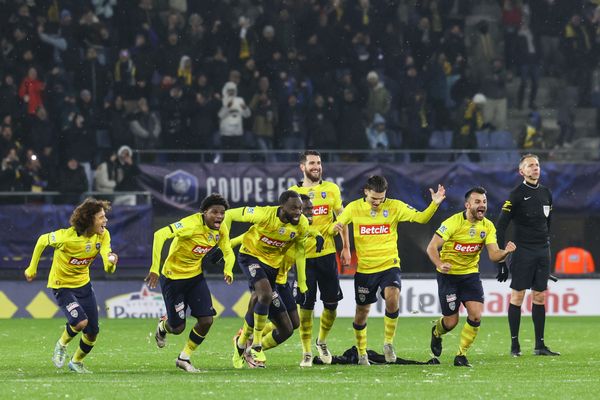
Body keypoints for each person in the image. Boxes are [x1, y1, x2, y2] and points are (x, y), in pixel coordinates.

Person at [332, 175, 446, 365]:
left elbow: (421, 218)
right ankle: (361, 353)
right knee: (362, 313)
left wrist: (433, 204)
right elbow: (336, 226)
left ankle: (388, 343)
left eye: (381, 198)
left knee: (393, 296)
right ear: (366, 192)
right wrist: (334, 228)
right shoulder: (353, 208)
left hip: (389, 264)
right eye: (374, 198)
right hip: (366, 269)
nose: (377, 202)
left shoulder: (394, 206)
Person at [24, 198, 118, 373]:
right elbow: (42, 241)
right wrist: (32, 268)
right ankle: (61, 344)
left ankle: (76, 362)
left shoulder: (103, 235)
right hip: (62, 285)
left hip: (83, 285)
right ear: (89, 220)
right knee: (80, 322)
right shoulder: (66, 237)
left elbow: (108, 266)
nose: (105, 220)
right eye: (101, 217)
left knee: (92, 332)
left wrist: (111, 262)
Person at [227, 194, 323, 366]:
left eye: (303, 209)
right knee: (263, 295)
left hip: (276, 272)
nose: (300, 213)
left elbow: (301, 251)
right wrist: (225, 245)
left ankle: (243, 344)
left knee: (289, 327)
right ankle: (255, 345)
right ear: (282, 207)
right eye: (296, 208)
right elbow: (232, 216)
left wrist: (302, 282)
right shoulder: (263, 214)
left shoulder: (301, 225)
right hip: (251, 257)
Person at [144, 193, 235, 373]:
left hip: (195, 278)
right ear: (204, 212)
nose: (219, 216)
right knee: (177, 328)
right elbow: (159, 234)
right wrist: (155, 267)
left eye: (222, 212)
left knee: (207, 320)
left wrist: (229, 268)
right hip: (173, 279)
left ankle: (183, 358)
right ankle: (163, 326)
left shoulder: (221, 228)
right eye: (214, 212)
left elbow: (228, 250)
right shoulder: (189, 225)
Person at [427, 187, 516, 367]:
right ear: (468, 205)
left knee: (475, 316)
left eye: (484, 202)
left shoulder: (488, 226)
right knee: (451, 322)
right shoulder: (453, 222)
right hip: (448, 276)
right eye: (477, 202)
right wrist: (439, 264)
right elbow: (431, 247)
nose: (482, 205)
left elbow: (493, 255)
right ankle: (436, 332)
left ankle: (461, 355)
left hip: (470, 276)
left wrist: (505, 252)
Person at [288, 150, 351, 367]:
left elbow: (342, 218)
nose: (317, 166)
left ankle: (321, 341)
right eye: (312, 163)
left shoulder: (331, 189)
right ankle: (306, 352)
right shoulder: (292, 193)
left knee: (331, 304)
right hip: (303, 258)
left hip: (327, 256)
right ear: (302, 167)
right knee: (306, 306)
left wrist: (346, 248)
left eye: (319, 163)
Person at [495, 154, 559, 357]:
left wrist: (545, 245)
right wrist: (502, 258)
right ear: (521, 171)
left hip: (542, 250)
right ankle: (515, 345)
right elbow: (500, 226)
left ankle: (540, 346)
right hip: (522, 250)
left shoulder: (546, 193)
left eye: (537, 165)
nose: (535, 168)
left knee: (539, 296)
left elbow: (547, 223)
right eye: (530, 165)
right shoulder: (516, 194)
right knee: (518, 296)